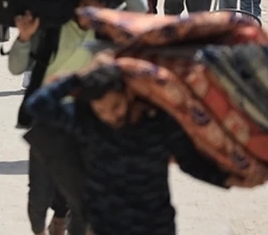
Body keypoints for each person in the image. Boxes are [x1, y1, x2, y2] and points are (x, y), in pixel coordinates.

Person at [9, 0, 148, 235]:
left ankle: (69, 222)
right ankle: (51, 222)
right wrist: (23, 39)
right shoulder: (51, 28)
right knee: (40, 197)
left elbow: (140, 8)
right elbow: (16, 66)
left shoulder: (107, 30)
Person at [25, 65, 236, 235]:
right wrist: (75, 80)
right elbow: (36, 106)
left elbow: (189, 160)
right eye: (101, 110)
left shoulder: (157, 123)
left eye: (115, 106)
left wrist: (226, 178)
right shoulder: (88, 123)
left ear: (128, 94)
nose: (109, 116)